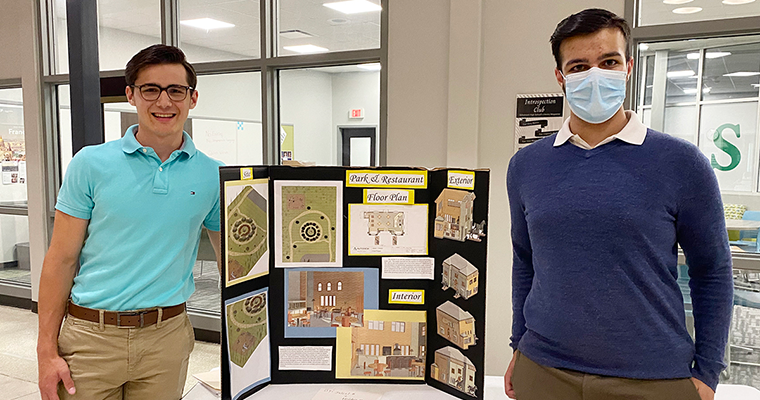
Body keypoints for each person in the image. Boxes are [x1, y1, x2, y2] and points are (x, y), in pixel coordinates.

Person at [504, 8, 733, 400]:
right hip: (543, 371)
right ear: (561, 78)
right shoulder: (526, 165)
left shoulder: (681, 163)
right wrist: (518, 343)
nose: (594, 75)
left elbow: (711, 271)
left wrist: (707, 372)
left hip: (652, 379)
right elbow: (525, 260)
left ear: (627, 67)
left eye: (608, 62)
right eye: (578, 66)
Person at [37, 44, 223, 400]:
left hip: (167, 337)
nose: (164, 102)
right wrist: (46, 350)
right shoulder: (90, 163)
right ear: (131, 95)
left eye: (176, 91)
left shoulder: (212, 174)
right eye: (150, 90)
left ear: (193, 98)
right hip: (90, 337)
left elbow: (235, 259)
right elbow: (60, 259)